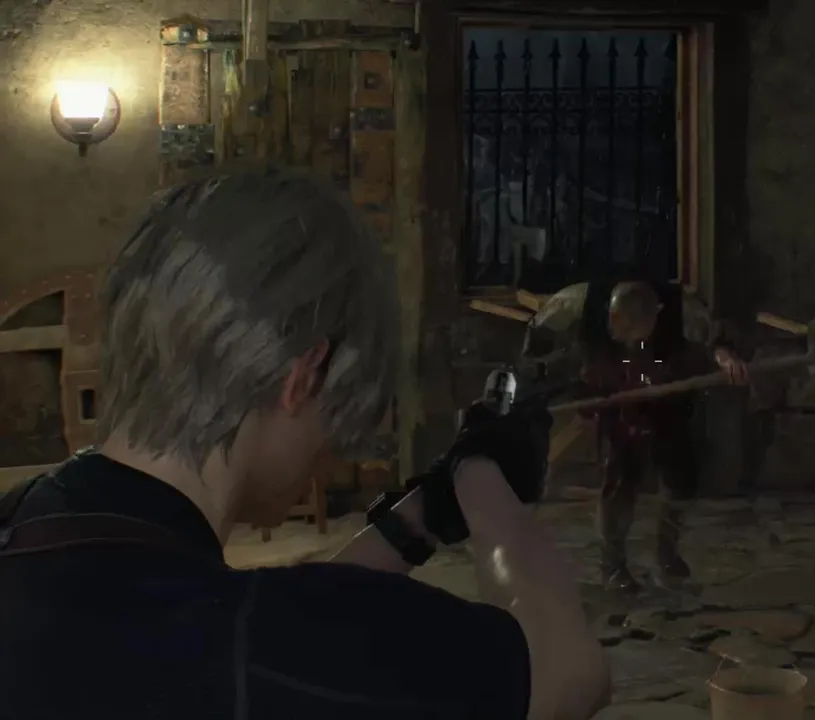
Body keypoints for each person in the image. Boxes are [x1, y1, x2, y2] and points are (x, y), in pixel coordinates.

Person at [0, 168, 611, 719]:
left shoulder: (30, 521)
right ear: (304, 377)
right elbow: (567, 673)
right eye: (336, 412)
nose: (330, 449)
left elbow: (278, 639)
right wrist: (482, 475)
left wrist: (420, 516)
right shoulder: (237, 644)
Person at [522, 280, 749, 593]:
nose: (626, 335)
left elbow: (713, 338)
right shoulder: (573, 305)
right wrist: (539, 381)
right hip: (614, 396)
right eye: (620, 327)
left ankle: (667, 553)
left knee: (680, 478)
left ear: (655, 317)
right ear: (610, 314)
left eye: (634, 330)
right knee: (619, 480)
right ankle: (613, 565)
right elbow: (536, 346)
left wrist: (725, 356)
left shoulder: (682, 310)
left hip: (665, 391)